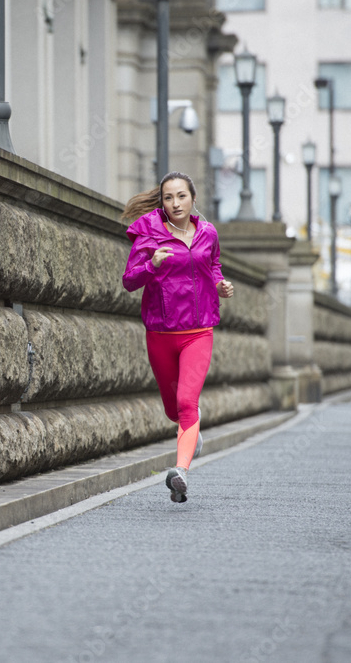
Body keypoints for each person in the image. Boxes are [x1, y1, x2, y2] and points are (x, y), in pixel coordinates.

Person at [121, 172, 234, 503]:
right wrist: (152, 265)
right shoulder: (149, 234)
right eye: (169, 198)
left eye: (181, 196)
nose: (175, 203)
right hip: (160, 332)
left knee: (187, 401)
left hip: (198, 332)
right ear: (162, 202)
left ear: (193, 198)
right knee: (174, 409)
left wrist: (221, 285)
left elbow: (212, 266)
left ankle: (180, 471)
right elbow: (129, 281)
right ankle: (191, 429)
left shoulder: (207, 233)